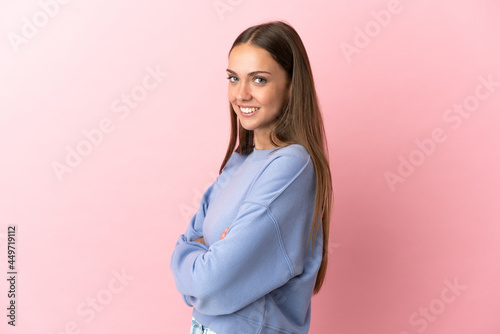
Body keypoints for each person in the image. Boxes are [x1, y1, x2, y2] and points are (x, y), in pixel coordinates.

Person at [170, 20, 333, 334]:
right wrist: (204, 254)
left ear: (290, 84)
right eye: (233, 78)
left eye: (258, 79)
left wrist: (206, 252)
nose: (241, 94)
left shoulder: (291, 166)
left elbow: (209, 282)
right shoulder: (239, 160)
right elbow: (190, 251)